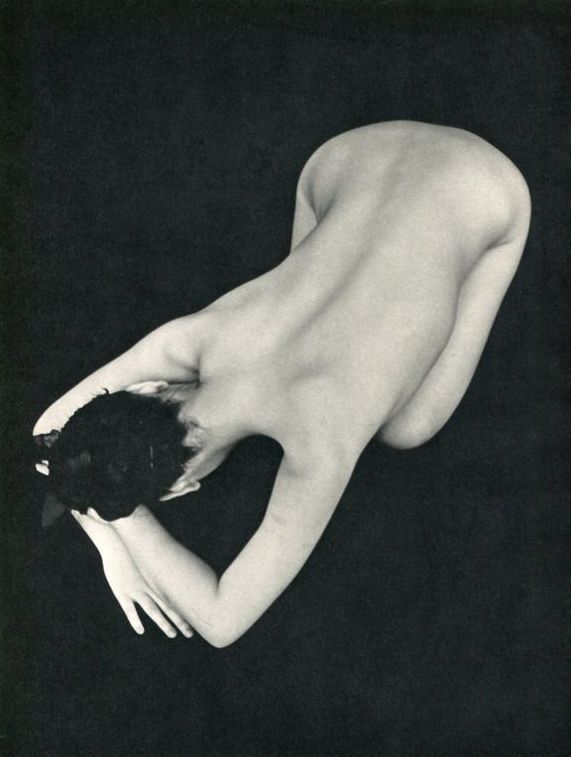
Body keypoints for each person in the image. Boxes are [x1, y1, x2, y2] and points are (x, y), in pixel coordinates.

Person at [33, 121, 531, 647]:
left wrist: (121, 523)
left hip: (494, 187)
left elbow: (221, 622)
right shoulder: (191, 338)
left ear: (183, 487)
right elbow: (49, 432)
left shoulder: (320, 443)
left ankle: (475, 239)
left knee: (408, 427)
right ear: (147, 389)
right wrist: (107, 532)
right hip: (354, 155)